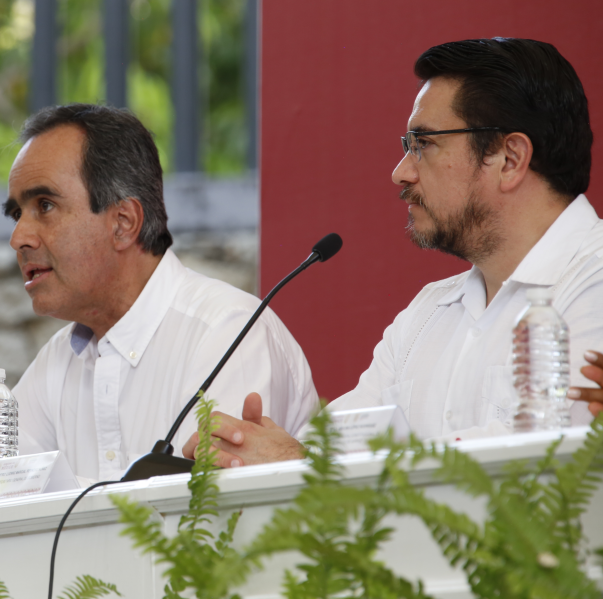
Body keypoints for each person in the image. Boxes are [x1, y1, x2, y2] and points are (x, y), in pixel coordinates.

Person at [181, 38, 603, 469]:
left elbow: (543, 461)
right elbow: (331, 445)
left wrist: (302, 463)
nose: (400, 172)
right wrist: (257, 453)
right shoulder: (427, 314)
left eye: (423, 144)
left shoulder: (595, 282)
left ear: (510, 158)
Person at [0, 104, 318, 509]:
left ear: (123, 222)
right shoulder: (56, 361)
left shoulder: (227, 333)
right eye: (17, 213)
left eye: (45, 206)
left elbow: (207, 520)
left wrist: (27, 488)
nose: (18, 236)